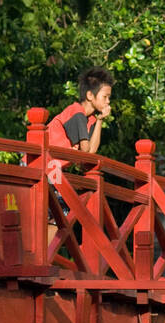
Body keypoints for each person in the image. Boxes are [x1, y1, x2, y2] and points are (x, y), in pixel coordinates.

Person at [43, 67, 113, 245]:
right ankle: (42, 258)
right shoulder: (76, 113)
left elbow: (91, 153)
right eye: (105, 97)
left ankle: (44, 258)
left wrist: (99, 120)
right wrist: (82, 152)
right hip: (40, 164)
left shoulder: (88, 119)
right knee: (58, 212)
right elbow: (85, 152)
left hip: (51, 169)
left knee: (59, 214)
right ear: (90, 95)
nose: (108, 101)